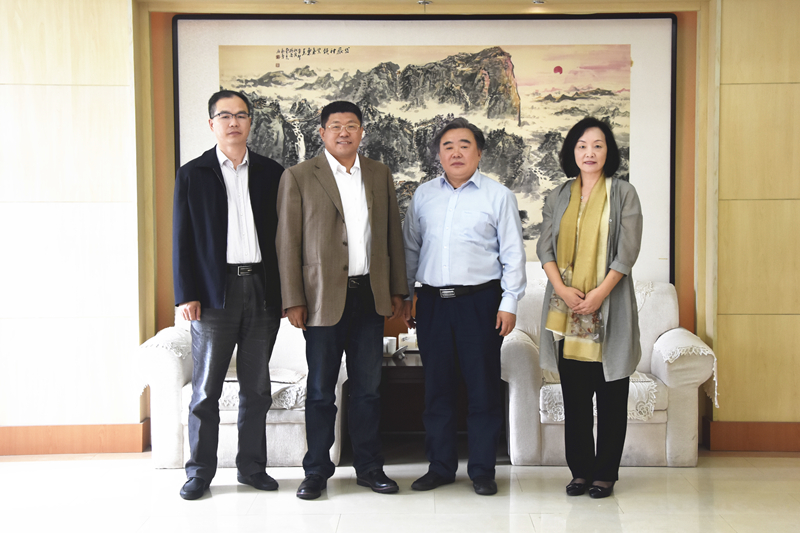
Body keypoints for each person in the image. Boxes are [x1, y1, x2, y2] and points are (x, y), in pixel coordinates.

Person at [276, 101, 408, 500]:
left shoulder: (379, 173)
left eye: (352, 125)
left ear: (362, 132)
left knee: (368, 389)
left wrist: (398, 290)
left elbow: (392, 234)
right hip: (320, 299)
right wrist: (293, 299)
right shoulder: (299, 176)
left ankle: (369, 468)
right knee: (320, 390)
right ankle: (316, 471)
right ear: (322, 132)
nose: (344, 132)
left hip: (370, 295)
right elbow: (288, 242)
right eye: (336, 126)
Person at [402, 118, 526, 496]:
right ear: (439, 155)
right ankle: (440, 467)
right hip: (432, 304)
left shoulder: (498, 196)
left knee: (482, 389)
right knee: (437, 389)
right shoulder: (424, 195)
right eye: (448, 146)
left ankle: (483, 471)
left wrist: (509, 302)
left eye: (464, 145)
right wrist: (406, 296)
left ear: (479, 152)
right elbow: (410, 249)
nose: (456, 152)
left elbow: (513, 255)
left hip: (481, 304)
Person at [173, 90, 285, 500]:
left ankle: (252, 468)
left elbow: (286, 237)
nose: (233, 122)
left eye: (241, 115)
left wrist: (286, 293)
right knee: (206, 389)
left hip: (261, 288)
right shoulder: (193, 173)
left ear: (250, 122)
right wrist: (186, 293)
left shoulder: (272, 172)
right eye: (225, 116)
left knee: (257, 388)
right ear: (212, 124)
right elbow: (181, 237)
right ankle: (199, 472)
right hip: (212, 292)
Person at [537, 117, 643, 499]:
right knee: (576, 400)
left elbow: (627, 251)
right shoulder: (558, 195)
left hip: (608, 308)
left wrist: (599, 294)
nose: (590, 152)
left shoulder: (624, 193)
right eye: (582, 145)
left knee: (612, 398)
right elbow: (544, 248)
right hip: (566, 311)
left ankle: (605, 474)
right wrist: (562, 290)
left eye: (598, 145)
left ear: (608, 152)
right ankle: (580, 471)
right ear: (572, 152)